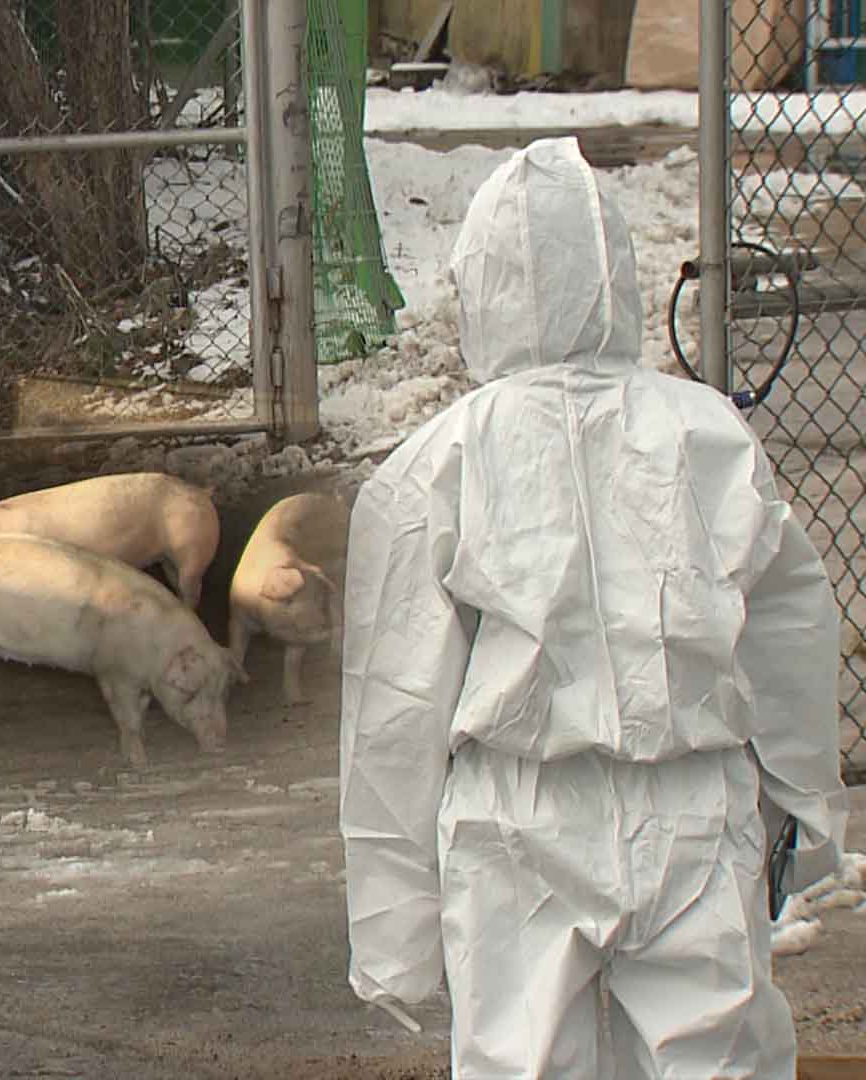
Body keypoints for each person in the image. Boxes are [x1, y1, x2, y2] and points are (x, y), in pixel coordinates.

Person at [337, 136, 850, 1078]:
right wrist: (802, 803)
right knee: (720, 1056)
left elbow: (397, 706)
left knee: (522, 1060)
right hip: (691, 804)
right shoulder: (707, 436)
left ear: (479, 290)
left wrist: (394, 929)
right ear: (616, 274)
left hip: (516, 819)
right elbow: (788, 629)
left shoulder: (434, 467)